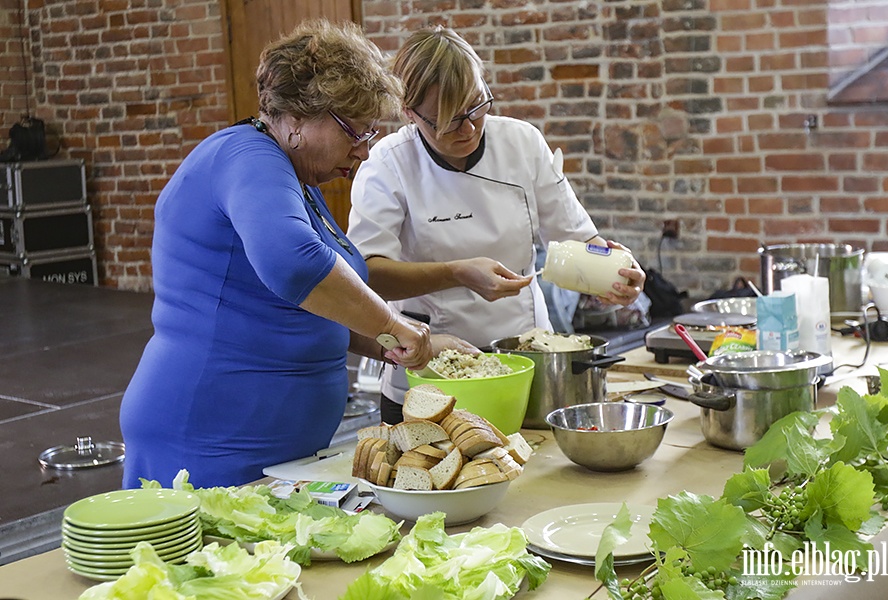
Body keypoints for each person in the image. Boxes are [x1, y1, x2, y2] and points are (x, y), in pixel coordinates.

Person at [120, 20, 459, 489]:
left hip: (270, 447)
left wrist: (401, 349)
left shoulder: (295, 179)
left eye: (370, 134)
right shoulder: (248, 158)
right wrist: (394, 327)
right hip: (207, 438)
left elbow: (303, 311)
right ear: (299, 118)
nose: (363, 152)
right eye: (354, 132)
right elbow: (295, 264)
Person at [347, 26, 646, 424]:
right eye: (449, 121)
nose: (469, 129)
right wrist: (457, 273)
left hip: (527, 366)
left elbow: (577, 238)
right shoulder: (388, 164)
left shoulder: (521, 143)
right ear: (410, 112)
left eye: (477, 106)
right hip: (431, 380)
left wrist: (617, 273)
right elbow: (368, 275)